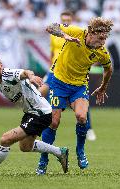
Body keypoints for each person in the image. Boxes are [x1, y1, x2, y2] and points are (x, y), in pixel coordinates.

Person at [0, 53, 69, 176]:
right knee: (25, 146)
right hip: (31, 113)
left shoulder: (8, 74)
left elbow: (25, 72)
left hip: (40, 113)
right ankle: (60, 152)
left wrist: (31, 77)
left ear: (1, 66)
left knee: (5, 139)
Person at [36, 17, 113, 175]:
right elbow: (50, 27)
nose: (103, 42)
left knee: (82, 117)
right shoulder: (76, 32)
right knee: (54, 122)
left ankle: (80, 151)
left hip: (79, 86)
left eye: (105, 38)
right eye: (100, 38)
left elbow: (108, 69)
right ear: (91, 33)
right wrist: (64, 36)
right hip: (59, 83)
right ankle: (43, 160)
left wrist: (103, 87)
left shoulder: (102, 53)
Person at [39, 10, 97, 142]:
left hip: (72, 71)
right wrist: (50, 66)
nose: (65, 22)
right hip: (55, 70)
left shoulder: (77, 33)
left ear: (71, 21)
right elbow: (52, 52)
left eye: (67, 20)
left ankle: (89, 128)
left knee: (80, 104)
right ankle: (41, 123)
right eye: (63, 20)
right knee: (40, 92)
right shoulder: (55, 35)